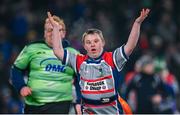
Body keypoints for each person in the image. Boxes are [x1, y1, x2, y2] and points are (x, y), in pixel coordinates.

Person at [48, 8, 150, 114]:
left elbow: (130, 46)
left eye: (96, 41)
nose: (92, 44)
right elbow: (58, 51)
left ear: (103, 43)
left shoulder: (112, 58)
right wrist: (55, 28)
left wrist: (137, 23)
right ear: (84, 46)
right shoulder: (78, 61)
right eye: (88, 42)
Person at [10, 15, 79, 114]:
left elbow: (82, 80)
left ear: (63, 33)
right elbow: (16, 69)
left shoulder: (73, 54)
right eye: (49, 30)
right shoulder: (31, 49)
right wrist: (21, 86)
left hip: (61, 105)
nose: (52, 33)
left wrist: (79, 102)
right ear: (44, 33)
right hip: (33, 106)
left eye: (56, 30)